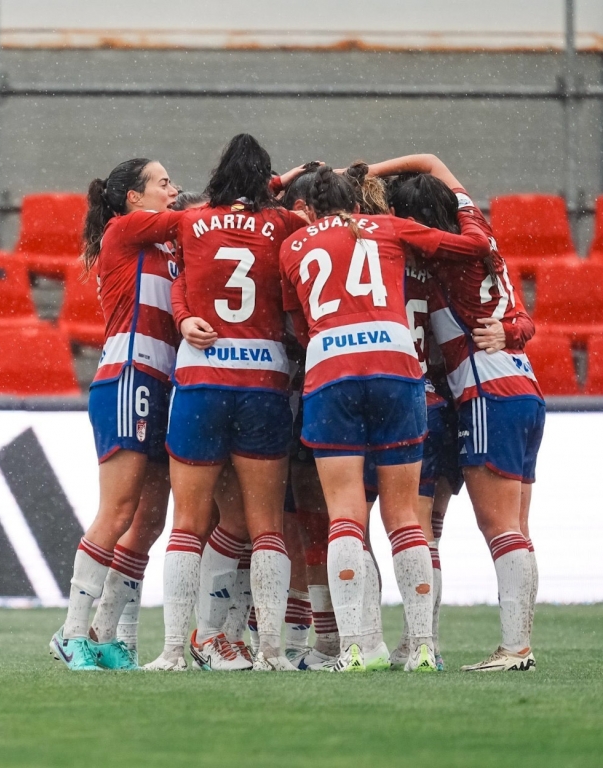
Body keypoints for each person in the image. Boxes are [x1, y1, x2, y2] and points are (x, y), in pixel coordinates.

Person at [280, 165, 491, 672]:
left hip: (331, 367)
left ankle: (358, 646)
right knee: (403, 516)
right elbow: (474, 248)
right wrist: (463, 200)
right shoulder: (392, 228)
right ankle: (421, 646)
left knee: (346, 514)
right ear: (360, 200)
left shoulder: (293, 246)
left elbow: (298, 324)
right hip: (399, 366)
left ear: (308, 206)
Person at [146, 134, 307, 672]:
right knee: (266, 527)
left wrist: (183, 312)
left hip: (200, 381)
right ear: (266, 182)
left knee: (187, 524)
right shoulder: (284, 226)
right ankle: (272, 653)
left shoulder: (191, 221)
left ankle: (172, 651)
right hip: (262, 382)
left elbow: (181, 277)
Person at [385, 154, 542, 672]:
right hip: (525, 390)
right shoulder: (481, 231)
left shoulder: (440, 263)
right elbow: (522, 319)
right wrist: (514, 331)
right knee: (514, 528)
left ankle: (509, 648)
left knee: (493, 529)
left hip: (483, 395)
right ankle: (514, 644)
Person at [49, 158, 183, 671]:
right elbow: (199, 219)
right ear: (133, 196)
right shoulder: (125, 229)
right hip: (130, 375)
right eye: (163, 182)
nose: (173, 189)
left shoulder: (163, 239)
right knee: (119, 510)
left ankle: (104, 634)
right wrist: (254, 194)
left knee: (147, 521)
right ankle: (71, 631)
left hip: (160, 380)